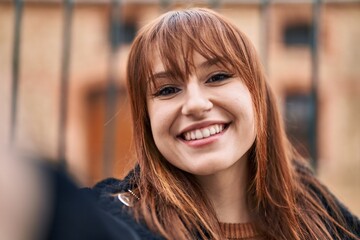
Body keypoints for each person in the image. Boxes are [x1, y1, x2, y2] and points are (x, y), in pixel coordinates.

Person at [88, 8, 360, 240]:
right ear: (146, 118)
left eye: (217, 77)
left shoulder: (326, 218)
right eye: (167, 90)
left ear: (257, 95)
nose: (195, 104)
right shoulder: (110, 222)